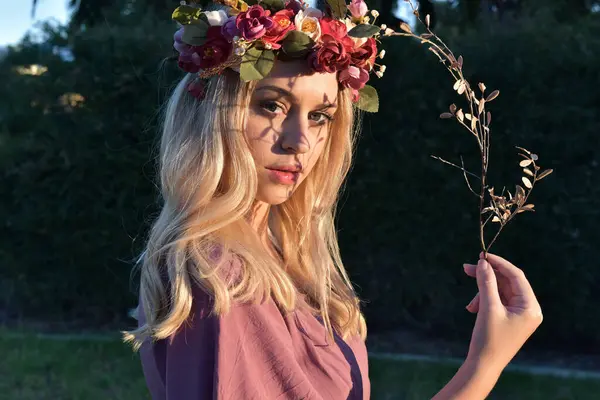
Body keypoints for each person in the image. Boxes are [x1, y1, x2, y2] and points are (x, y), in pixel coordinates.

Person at [123, 1, 543, 398]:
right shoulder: (222, 275)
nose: (299, 141)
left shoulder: (277, 260)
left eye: (320, 116)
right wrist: (483, 366)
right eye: (270, 106)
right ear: (213, 112)